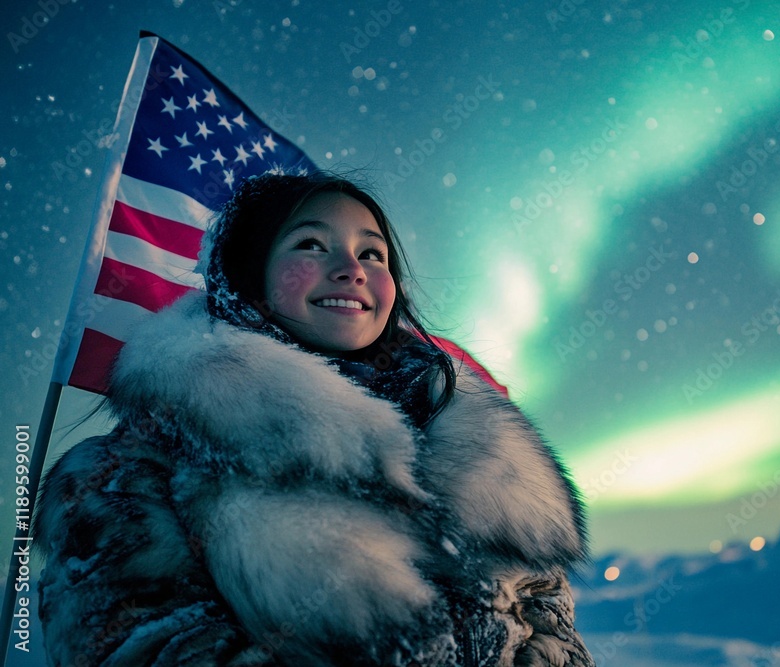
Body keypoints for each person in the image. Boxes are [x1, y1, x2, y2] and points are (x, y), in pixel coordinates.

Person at [33, 171, 595, 666]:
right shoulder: (127, 474)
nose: (351, 269)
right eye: (310, 245)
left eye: (372, 254)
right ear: (247, 279)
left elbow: (551, 635)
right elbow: (141, 646)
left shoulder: (482, 463)